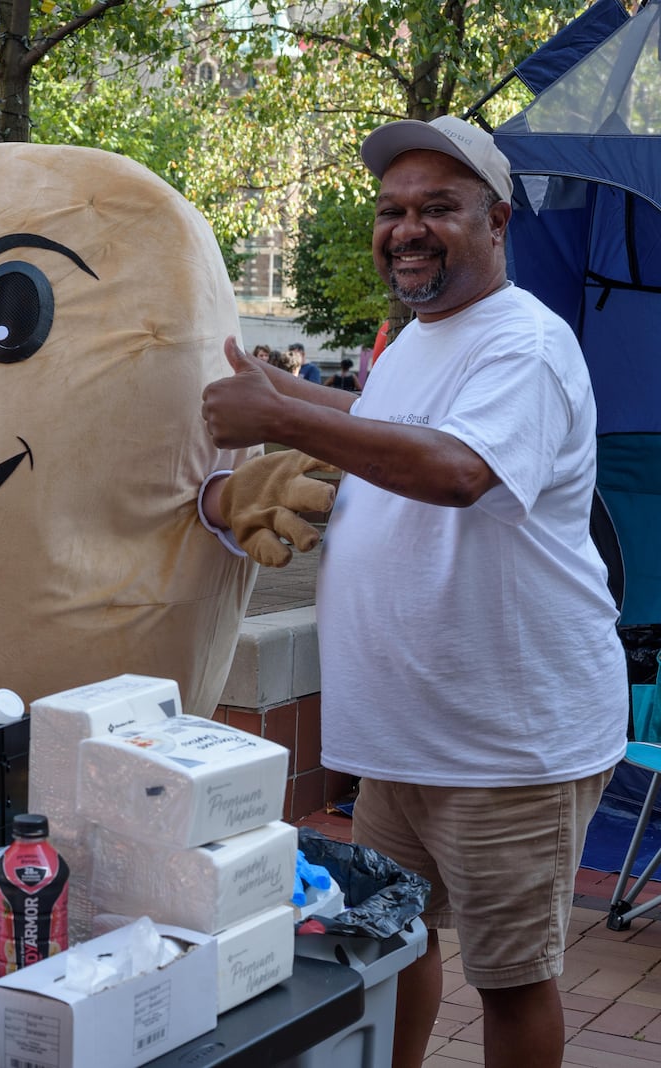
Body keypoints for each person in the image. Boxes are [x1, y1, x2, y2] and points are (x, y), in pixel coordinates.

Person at [200, 115, 625, 1068]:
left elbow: (460, 468)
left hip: (507, 746)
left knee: (513, 977)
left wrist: (273, 413)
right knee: (397, 938)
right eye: (393, 210)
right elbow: (394, 417)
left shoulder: (527, 344)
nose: (408, 228)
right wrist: (293, 394)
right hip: (406, 738)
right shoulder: (418, 345)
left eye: (439, 207)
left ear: (497, 222)